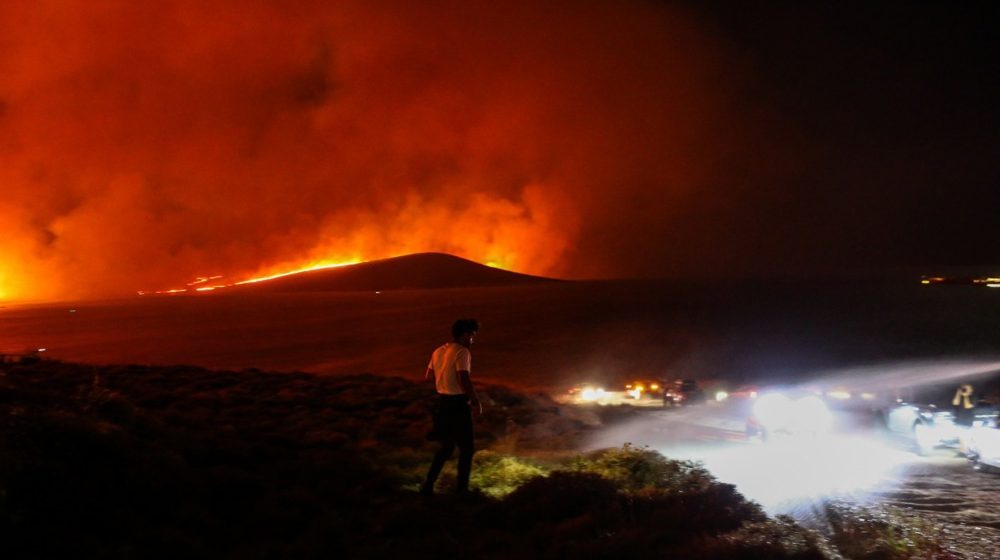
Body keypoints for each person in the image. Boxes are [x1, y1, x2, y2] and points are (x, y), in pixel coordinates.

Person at [420, 318, 482, 496]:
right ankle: (462, 491)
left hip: (443, 404)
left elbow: (428, 377)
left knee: (446, 448)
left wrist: (443, 385)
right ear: (464, 334)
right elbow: (464, 378)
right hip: (458, 405)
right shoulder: (462, 352)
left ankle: (428, 485)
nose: (472, 340)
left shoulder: (438, 350)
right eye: (472, 335)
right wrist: (475, 400)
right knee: (467, 449)